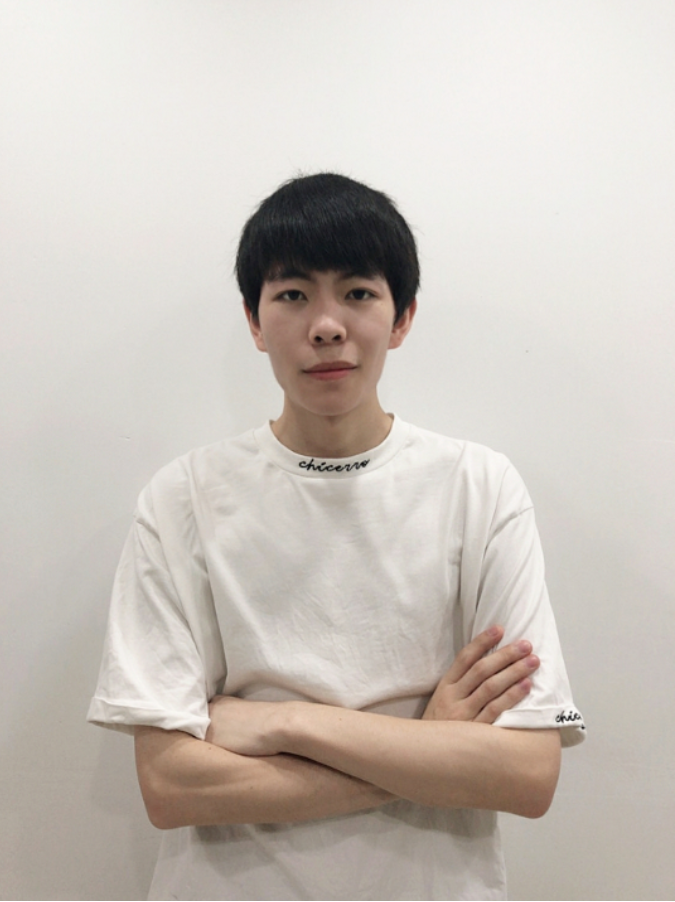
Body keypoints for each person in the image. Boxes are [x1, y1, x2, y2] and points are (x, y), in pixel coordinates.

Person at [88, 172, 585, 901]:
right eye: (293, 295)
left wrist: (286, 723)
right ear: (254, 321)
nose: (326, 325)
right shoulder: (182, 498)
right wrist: (430, 744)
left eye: (357, 292)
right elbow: (170, 786)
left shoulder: (478, 487)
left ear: (402, 317)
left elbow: (527, 774)